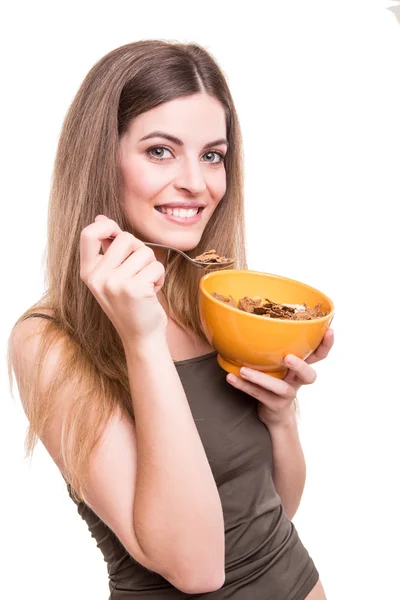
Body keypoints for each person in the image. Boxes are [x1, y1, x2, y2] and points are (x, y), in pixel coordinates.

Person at [7, 40, 334, 599]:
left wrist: (280, 418)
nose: (197, 183)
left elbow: (270, 515)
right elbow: (198, 568)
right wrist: (142, 338)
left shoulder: (211, 298)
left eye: (212, 155)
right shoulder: (47, 341)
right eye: (161, 151)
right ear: (101, 158)